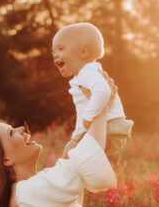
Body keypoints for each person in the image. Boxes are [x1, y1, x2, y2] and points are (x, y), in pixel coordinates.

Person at [52, 22, 133, 161]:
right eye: (53, 52)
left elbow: (103, 91)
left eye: (61, 49)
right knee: (73, 157)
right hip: (106, 128)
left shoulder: (87, 72)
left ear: (84, 52)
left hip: (110, 128)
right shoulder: (84, 74)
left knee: (72, 156)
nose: (55, 55)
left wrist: (88, 119)